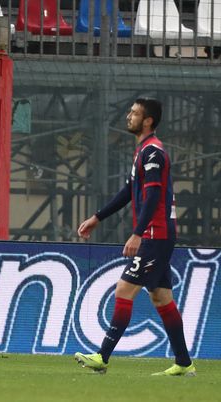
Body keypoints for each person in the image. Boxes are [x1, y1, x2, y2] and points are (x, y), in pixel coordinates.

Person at [74, 98, 195, 376]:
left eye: (135, 113)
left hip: (155, 234)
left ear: (148, 120)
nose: (129, 116)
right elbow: (130, 191)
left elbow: (153, 196)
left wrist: (138, 234)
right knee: (162, 297)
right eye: (130, 112)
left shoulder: (153, 152)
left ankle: (102, 357)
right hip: (157, 234)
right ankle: (184, 364)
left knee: (124, 290)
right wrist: (97, 217)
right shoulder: (142, 151)